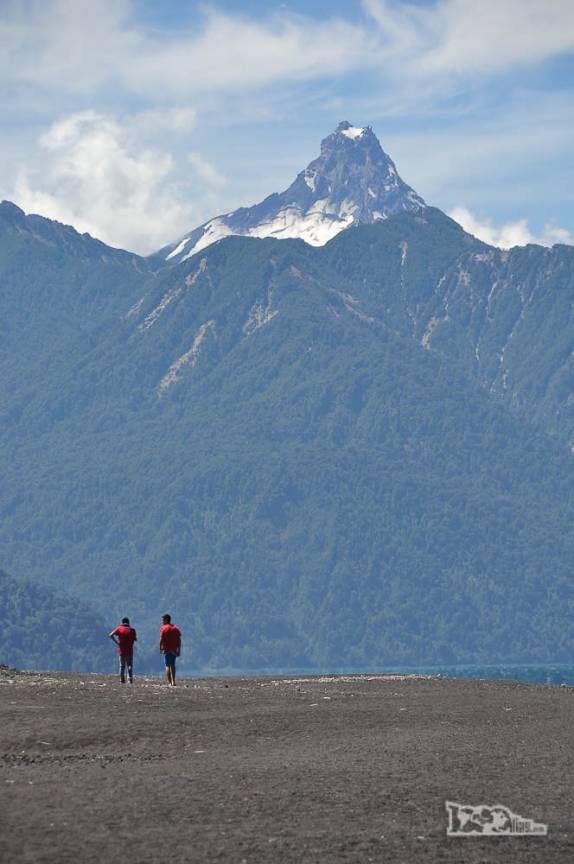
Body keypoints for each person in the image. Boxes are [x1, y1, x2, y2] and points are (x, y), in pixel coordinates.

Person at [109, 617, 137, 684]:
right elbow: (135, 639)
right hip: (129, 650)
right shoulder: (132, 630)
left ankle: (122, 680)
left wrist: (117, 643)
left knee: (122, 666)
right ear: (128, 622)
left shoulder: (119, 629)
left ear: (122, 622)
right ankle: (130, 680)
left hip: (121, 650)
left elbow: (110, 635)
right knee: (129, 665)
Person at [159, 613, 181, 686]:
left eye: (162, 620)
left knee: (167, 666)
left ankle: (170, 682)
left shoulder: (163, 628)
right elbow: (179, 640)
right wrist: (179, 650)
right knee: (173, 665)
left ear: (165, 620)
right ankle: (173, 681)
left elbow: (161, 639)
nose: (162, 622)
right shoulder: (176, 628)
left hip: (166, 649)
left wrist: (160, 647)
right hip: (174, 649)